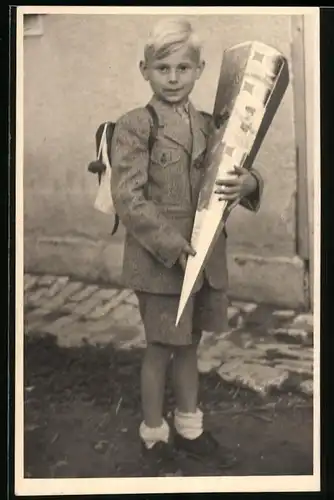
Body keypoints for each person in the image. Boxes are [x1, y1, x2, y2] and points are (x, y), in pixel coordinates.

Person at [111, 18, 263, 474]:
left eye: (183, 68)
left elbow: (237, 169)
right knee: (160, 346)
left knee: (190, 344)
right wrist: (170, 244)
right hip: (161, 261)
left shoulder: (211, 123)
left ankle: (191, 428)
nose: (173, 78)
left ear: (199, 69)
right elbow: (129, 197)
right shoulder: (136, 125)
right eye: (163, 69)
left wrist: (250, 183)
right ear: (144, 70)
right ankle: (154, 434)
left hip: (203, 257)